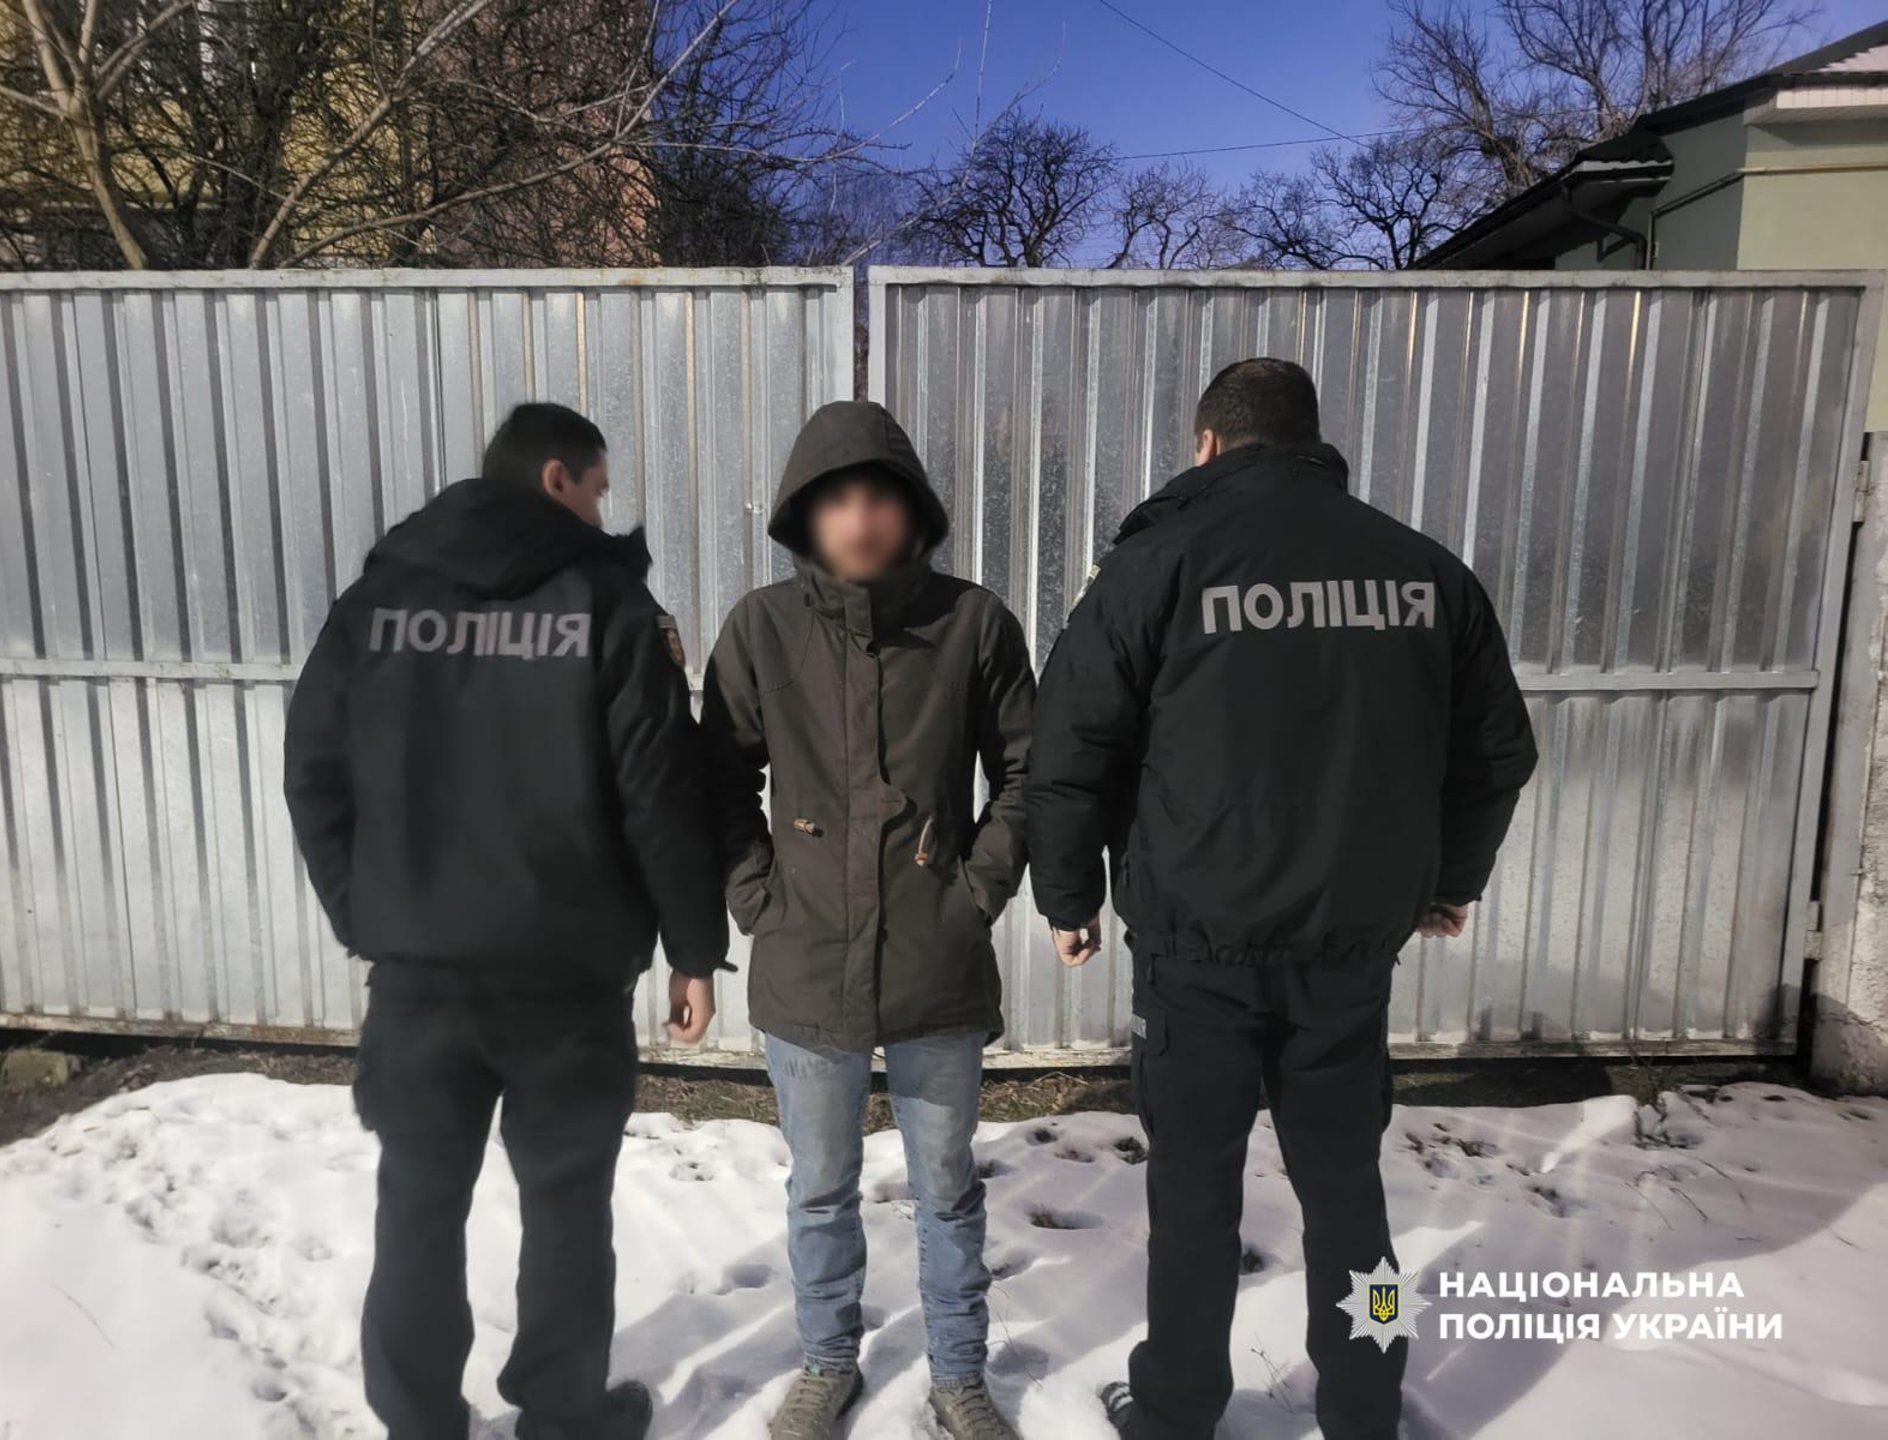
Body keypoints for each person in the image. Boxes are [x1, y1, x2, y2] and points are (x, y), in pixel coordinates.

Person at [1027, 359, 1537, 1440]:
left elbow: (1070, 748)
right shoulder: (1423, 571)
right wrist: (1448, 879)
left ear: (1207, 443)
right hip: (1349, 951)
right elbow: (1498, 751)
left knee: (1194, 1199)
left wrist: (1069, 895)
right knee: (1352, 1197)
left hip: (1197, 950)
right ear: (1313, 443)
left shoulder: (1156, 565)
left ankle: (1177, 1409)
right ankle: (1368, 1399)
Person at [284, 401, 729, 1440]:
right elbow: (658, 794)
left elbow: (314, 772)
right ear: (556, 479)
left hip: (419, 977)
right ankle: (563, 1418)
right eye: (599, 488)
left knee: (417, 1203)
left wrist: (369, 915)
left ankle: (418, 1419)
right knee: (566, 1205)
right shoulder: (606, 602)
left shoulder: (379, 601)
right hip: (566, 979)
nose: (604, 510)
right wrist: (693, 950)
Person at [699, 400, 1036, 1440]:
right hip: (805, 958)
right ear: (805, 513)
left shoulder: (973, 622)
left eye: (880, 496)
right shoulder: (761, 628)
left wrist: (974, 892)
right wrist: (757, 896)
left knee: (947, 1188)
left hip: (937, 961)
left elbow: (1029, 772)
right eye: (836, 498)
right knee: (820, 1189)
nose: (860, 517)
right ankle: (827, 1361)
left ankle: (959, 1373)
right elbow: (716, 781)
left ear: (913, 509)